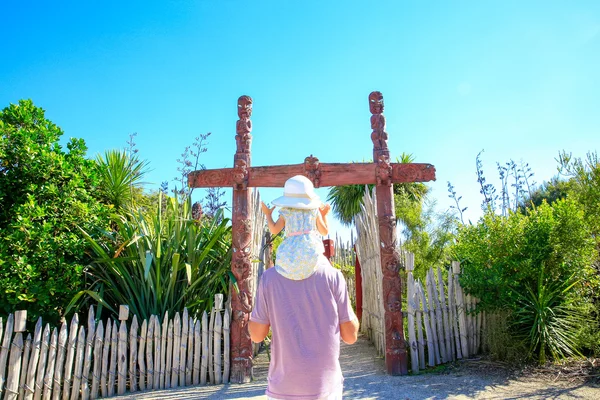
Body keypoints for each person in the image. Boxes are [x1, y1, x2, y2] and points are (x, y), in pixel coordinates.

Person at [249, 175, 360, 400]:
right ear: (311, 202)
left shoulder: (269, 279)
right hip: (326, 390)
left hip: (282, 389)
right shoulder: (333, 276)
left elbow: (256, 335)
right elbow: (350, 336)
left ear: (286, 202)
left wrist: (268, 216)